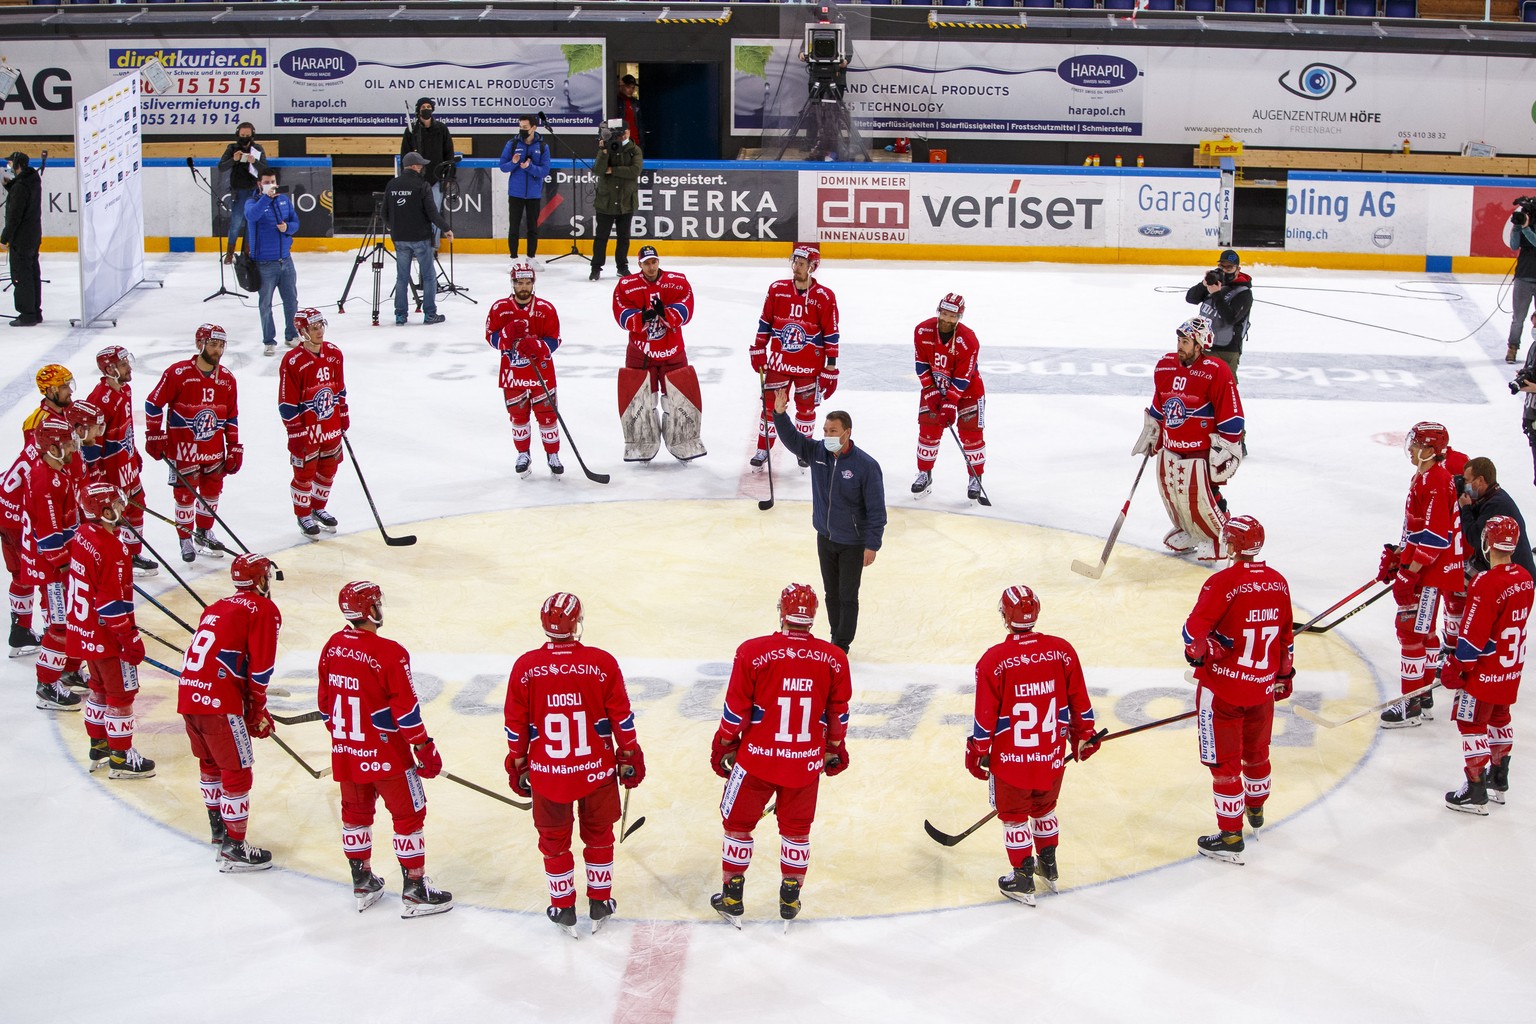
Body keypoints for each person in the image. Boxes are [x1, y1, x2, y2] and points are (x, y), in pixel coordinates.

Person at [708, 583, 850, 925]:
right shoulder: (834, 658)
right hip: (804, 764)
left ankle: (732, 895)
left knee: (738, 826)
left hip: (756, 760)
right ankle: (790, 897)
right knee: (797, 831)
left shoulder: (753, 651)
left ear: (780, 611)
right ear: (814, 616)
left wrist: (724, 744)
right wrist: (832, 749)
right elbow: (839, 714)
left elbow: (734, 712)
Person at [504, 592, 644, 936]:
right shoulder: (601, 663)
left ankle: (562, 904)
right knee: (598, 834)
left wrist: (519, 766)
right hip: (595, 771)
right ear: (577, 623)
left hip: (548, 774)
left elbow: (515, 726)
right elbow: (622, 721)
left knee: (553, 839)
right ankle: (599, 900)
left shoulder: (526, 667)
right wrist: (629, 756)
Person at [317, 581, 452, 917]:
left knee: (355, 814)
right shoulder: (390, 652)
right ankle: (415, 888)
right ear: (370, 611)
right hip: (388, 755)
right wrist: (424, 747)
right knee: (409, 816)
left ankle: (362, 881)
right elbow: (405, 712)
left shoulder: (332, 646)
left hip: (346, 752)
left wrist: (349, 739)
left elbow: (324, 704)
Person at [967, 585, 1099, 904]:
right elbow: (1079, 700)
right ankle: (1048, 865)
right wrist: (1084, 734)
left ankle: (1023, 876)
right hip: (1051, 755)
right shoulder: (1062, 650)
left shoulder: (994, 661)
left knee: (1014, 816)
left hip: (1012, 760)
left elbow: (985, 719)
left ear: (1005, 616)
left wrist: (977, 752)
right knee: (1044, 809)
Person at [1182, 516, 1294, 864]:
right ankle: (1256, 810)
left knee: (1225, 766)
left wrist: (1204, 652)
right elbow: (1286, 640)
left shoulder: (1223, 583)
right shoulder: (1279, 583)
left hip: (1224, 691)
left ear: (1232, 545)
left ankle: (1231, 836)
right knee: (1257, 752)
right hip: (1262, 688)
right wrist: (1284, 677)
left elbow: (1192, 636)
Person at [179, 553, 281, 868]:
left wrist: (251, 710)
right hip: (220, 702)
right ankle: (235, 845)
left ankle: (219, 830)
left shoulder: (215, 606)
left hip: (189, 693)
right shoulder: (264, 609)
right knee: (236, 770)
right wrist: (256, 711)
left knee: (211, 763)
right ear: (261, 580)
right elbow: (260, 670)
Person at [770, 389, 886, 652]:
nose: (827, 436)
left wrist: (872, 545)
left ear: (847, 433)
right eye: (825, 430)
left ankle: (842, 644)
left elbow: (876, 510)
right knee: (831, 594)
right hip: (825, 537)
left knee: (847, 596)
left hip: (852, 542)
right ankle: (836, 634)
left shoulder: (866, 466)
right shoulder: (818, 453)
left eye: (833, 431)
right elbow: (793, 440)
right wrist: (780, 413)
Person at [1376, 421, 1466, 728]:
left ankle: (1411, 703)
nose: (1411, 449)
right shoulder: (1426, 476)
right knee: (1423, 632)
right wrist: (1401, 556)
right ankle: (1424, 696)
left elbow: (1436, 537)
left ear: (1430, 449)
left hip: (1430, 574)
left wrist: (1410, 572)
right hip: (1425, 570)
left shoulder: (1436, 480)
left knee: (1411, 631)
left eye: (1415, 444)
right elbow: (1418, 530)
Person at [1133, 316, 1245, 557]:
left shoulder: (1216, 370)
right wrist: (1154, 428)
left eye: (1185, 341)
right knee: (1173, 491)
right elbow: (1159, 403)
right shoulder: (1165, 365)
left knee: (1202, 493)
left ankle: (1221, 535)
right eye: (1179, 340)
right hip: (1173, 446)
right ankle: (1190, 530)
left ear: (1199, 344)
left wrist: (1229, 444)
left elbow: (1231, 412)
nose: (1179, 345)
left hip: (1200, 448)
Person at [1442, 515, 1533, 812]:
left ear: (1487, 542)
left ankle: (1476, 788)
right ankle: (1499, 779)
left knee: (1471, 722)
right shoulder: (1525, 578)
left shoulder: (1486, 582)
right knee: (1499, 718)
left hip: (1485, 670)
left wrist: (1458, 665)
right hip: (1511, 668)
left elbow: (1473, 634)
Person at [68, 482, 152, 779]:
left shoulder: (83, 534)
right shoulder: (112, 547)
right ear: (104, 511)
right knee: (121, 696)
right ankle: (121, 757)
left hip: (85, 630)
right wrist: (129, 638)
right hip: (108, 636)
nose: (122, 509)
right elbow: (111, 604)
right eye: (116, 505)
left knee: (99, 689)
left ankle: (99, 745)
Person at [143, 324, 242, 563]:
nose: (217, 350)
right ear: (200, 344)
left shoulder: (227, 379)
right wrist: (154, 434)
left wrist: (235, 446)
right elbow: (153, 404)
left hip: (214, 450)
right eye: (212, 344)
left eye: (221, 345)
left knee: (211, 493)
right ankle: (185, 537)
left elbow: (231, 416)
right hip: (183, 450)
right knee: (185, 496)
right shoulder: (178, 373)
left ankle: (204, 531)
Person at [750, 243, 839, 470]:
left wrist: (831, 368)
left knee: (806, 410)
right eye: (795, 263)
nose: (796, 267)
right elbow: (765, 322)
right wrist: (759, 348)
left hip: (809, 367)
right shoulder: (777, 289)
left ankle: (804, 450)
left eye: (801, 264)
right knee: (770, 407)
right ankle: (763, 448)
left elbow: (831, 333)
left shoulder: (824, 296)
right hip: (779, 363)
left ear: (812, 267)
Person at [613, 245, 705, 461]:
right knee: (643, 400)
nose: (651, 266)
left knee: (677, 398)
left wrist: (667, 313)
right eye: (646, 262)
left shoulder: (677, 281)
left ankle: (684, 440)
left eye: (654, 261)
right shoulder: (626, 285)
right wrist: (640, 317)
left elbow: (687, 306)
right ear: (640, 264)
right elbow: (620, 312)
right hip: (640, 353)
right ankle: (641, 442)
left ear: (658, 261)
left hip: (672, 350)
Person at [484, 260, 564, 477]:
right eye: (520, 282)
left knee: (548, 416)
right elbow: (490, 338)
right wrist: (505, 336)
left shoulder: (545, 309)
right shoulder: (499, 308)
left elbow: (555, 340)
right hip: (513, 375)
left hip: (542, 374)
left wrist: (538, 346)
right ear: (513, 283)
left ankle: (552, 454)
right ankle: (523, 454)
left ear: (533, 283)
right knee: (518, 417)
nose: (524, 287)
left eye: (528, 282)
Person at [26, 418, 83, 711]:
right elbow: (48, 537)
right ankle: (47, 684)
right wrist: (66, 565)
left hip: (64, 563)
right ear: (52, 447)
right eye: (68, 443)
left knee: (74, 621)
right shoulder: (45, 480)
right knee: (60, 626)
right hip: (54, 569)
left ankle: (69, 670)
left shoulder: (59, 472)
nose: (74, 446)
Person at [280, 308, 349, 538]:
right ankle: (303, 514)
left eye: (321, 325)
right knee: (304, 473)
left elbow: (339, 389)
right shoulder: (293, 361)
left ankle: (318, 508)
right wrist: (295, 432)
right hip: (307, 431)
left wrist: (343, 415)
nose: (319, 331)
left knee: (329, 469)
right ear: (302, 331)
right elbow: (286, 403)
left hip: (330, 426)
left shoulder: (334, 353)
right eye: (313, 327)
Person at [910, 292, 986, 500]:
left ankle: (975, 477)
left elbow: (964, 376)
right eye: (944, 313)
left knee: (971, 437)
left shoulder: (968, 340)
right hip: (934, 387)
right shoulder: (922, 330)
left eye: (952, 316)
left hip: (968, 394)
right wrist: (932, 392)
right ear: (939, 311)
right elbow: (921, 365)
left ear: (959, 317)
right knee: (928, 432)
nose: (946, 319)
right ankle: (924, 473)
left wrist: (951, 402)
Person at [88, 346, 155, 577]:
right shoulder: (100, 399)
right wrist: (96, 475)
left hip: (125, 463)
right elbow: (92, 441)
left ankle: (132, 555)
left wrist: (133, 452)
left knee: (137, 503)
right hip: (110, 469)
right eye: (124, 364)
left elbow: (125, 428)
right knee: (114, 516)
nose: (129, 368)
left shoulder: (124, 390)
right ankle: (113, 559)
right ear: (110, 369)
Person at [383, 152, 453, 327]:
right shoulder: (422, 185)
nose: (423, 168)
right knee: (429, 276)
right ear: (414, 166)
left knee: (402, 277)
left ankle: (400, 315)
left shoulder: (392, 184)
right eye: (420, 165)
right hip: (420, 237)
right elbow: (432, 212)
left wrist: (394, 227)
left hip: (399, 238)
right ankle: (430, 314)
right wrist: (446, 228)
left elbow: (384, 213)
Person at [244, 169, 299, 356]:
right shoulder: (252, 202)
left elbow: (295, 223)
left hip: (286, 260)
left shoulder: (284, 200)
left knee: (291, 300)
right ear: (259, 183)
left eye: (273, 181)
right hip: (264, 264)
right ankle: (269, 340)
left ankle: (291, 335)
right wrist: (266, 198)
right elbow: (252, 216)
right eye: (266, 182)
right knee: (265, 304)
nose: (271, 184)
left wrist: (287, 228)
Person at [1459, 457, 1536, 580]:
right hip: (1510, 570)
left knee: (1460, 588)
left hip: (1515, 577)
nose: (1465, 485)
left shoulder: (1496, 504)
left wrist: (1466, 509)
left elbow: (1475, 538)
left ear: (1480, 480)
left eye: (1467, 481)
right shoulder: (1494, 496)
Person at [0, 432, 42, 658]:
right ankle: (57, 632)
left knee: (21, 574)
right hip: (18, 517)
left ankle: (21, 629)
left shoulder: (42, 434)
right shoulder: (58, 445)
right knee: (46, 575)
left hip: (4, 505)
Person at [1184, 248, 1252, 379]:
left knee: (1224, 389)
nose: (1224, 271)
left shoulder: (1244, 293)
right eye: (1222, 266)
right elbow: (1191, 298)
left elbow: (1230, 319)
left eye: (1229, 268)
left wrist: (1216, 294)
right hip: (1203, 346)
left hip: (1226, 350)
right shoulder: (1214, 283)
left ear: (1238, 270)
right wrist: (1204, 284)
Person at [590, 120, 642, 282]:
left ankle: (622, 266)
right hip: (606, 201)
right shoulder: (606, 148)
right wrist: (603, 151)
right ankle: (596, 267)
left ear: (627, 133)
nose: (617, 137)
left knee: (623, 237)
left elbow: (635, 171)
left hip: (626, 202)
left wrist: (613, 170)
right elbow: (598, 170)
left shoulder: (634, 150)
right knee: (601, 237)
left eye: (619, 134)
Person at [499, 114, 551, 260]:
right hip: (516, 193)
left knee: (532, 229)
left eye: (525, 128)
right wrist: (514, 163)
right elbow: (503, 166)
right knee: (514, 227)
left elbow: (545, 170)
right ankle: (513, 258)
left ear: (534, 128)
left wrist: (529, 167)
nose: (522, 130)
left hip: (534, 194)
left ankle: (531, 258)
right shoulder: (512, 144)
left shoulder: (542, 146)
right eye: (520, 127)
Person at [1, 150, 43, 327]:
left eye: (10, 164)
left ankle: (27, 314)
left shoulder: (20, 187)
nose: (9, 166)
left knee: (21, 275)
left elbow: (15, 216)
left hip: (22, 237)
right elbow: (22, 191)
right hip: (33, 234)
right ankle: (35, 311)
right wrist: (10, 186)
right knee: (32, 272)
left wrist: (4, 239)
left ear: (18, 165)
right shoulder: (32, 180)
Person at [217, 123, 268, 263]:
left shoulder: (257, 149)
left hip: (254, 191)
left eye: (247, 135)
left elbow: (265, 169)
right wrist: (233, 159)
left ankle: (247, 252)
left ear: (253, 135)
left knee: (251, 223)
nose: (245, 138)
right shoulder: (232, 148)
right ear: (238, 134)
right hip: (239, 192)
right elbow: (221, 167)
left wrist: (255, 162)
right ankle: (229, 253)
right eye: (242, 135)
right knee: (236, 223)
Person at [400, 97, 455, 200]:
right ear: (418, 110)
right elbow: (405, 154)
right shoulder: (412, 131)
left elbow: (449, 153)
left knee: (434, 210)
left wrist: (449, 177)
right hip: (415, 179)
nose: (426, 109)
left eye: (429, 107)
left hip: (436, 177)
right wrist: (405, 176)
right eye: (423, 107)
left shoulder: (441, 129)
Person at [1506, 199, 1536, 363]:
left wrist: (1526, 229)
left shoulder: (1529, 228)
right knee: (1518, 318)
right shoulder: (1523, 226)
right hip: (1523, 277)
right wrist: (1517, 228)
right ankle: (1512, 348)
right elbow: (1513, 245)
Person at [22, 364, 73, 438]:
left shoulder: (72, 411)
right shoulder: (35, 423)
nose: (70, 391)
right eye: (64, 387)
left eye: (69, 385)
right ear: (50, 391)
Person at [616, 74, 645, 150]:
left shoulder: (635, 103)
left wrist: (641, 142)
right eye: (628, 87)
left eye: (633, 88)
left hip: (635, 142)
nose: (631, 90)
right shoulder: (616, 101)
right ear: (621, 86)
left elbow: (639, 123)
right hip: (622, 142)